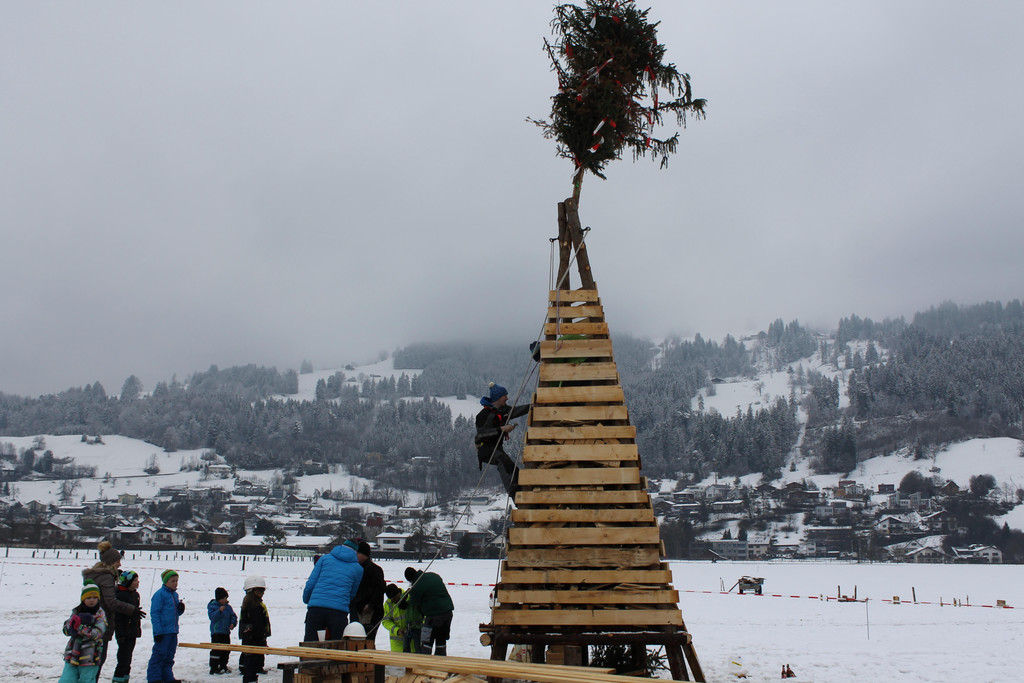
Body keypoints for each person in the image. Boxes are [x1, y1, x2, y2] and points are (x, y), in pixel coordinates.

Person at [82, 541, 143, 679]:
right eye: (117, 561)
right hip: (101, 623)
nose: (120, 564)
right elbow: (111, 601)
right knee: (98, 659)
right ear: (110, 562)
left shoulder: (94, 575)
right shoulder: (106, 577)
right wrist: (131, 610)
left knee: (89, 661)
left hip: (89, 621)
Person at [301, 539, 363, 641]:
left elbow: (311, 584)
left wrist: (307, 599)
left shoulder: (324, 559)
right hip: (339, 611)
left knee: (310, 644)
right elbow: (352, 593)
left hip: (316, 608)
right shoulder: (358, 569)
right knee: (336, 645)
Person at [475, 382, 530, 495]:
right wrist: (501, 429)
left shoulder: (503, 410)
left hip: (496, 447)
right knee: (503, 461)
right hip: (485, 449)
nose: (507, 398)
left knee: (511, 468)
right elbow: (481, 434)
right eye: (505, 396)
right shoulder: (483, 415)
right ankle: (513, 491)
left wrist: (532, 406)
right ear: (498, 397)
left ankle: (522, 487)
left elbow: (516, 411)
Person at [58, 581, 107, 683]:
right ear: (83, 599)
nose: (92, 600)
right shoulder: (77, 611)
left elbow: (98, 633)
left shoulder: (100, 613)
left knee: (87, 680)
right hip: (73, 654)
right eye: (88, 598)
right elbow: (66, 629)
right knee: (67, 679)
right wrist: (70, 627)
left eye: (94, 598)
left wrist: (81, 628)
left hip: (90, 656)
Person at [403, 567, 454, 656]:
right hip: (448, 613)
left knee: (427, 643)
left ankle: (425, 665)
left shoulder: (416, 586)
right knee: (441, 641)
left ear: (410, 580)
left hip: (433, 616)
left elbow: (414, 603)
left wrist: (409, 594)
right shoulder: (434, 575)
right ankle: (440, 664)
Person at [146, 569, 184, 683]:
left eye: (176, 581)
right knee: (159, 655)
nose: (175, 583)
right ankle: (154, 678)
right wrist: (158, 632)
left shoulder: (175, 595)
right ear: (166, 582)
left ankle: (167, 677)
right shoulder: (160, 594)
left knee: (169, 656)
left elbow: (175, 613)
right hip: (163, 632)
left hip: (173, 631)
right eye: (172, 581)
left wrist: (180, 609)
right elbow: (155, 613)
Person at [351, 540, 386, 641]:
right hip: (359, 610)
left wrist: (370, 605)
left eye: (358, 553)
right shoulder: (357, 569)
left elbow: (380, 588)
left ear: (364, 554)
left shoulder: (374, 569)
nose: (356, 556)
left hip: (371, 612)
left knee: (367, 640)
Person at [112, 570, 142, 683]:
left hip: (132, 632)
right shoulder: (120, 595)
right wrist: (120, 634)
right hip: (124, 633)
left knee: (128, 659)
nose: (138, 582)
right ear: (128, 582)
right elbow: (118, 618)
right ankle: (118, 679)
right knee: (123, 660)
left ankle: (125, 679)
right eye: (135, 580)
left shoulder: (135, 594)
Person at [238, 575, 271, 683]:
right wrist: (262, 641)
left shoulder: (246, 605)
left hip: (248, 639)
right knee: (252, 666)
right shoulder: (256, 607)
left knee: (250, 665)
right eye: (261, 591)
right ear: (255, 592)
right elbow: (258, 626)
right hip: (255, 640)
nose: (263, 594)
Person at [208, 586, 238, 675]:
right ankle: (214, 667)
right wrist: (219, 611)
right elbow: (212, 617)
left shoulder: (228, 607)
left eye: (226, 598)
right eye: (224, 598)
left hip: (226, 632)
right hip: (217, 633)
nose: (226, 600)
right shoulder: (213, 607)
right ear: (219, 599)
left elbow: (233, 616)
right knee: (216, 650)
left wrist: (233, 623)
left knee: (226, 650)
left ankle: (223, 666)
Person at [380, 584, 408, 652]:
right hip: (397, 644)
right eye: (391, 598)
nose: (393, 600)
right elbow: (385, 621)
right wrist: (397, 630)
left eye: (395, 597)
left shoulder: (408, 598)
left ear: (399, 593)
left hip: (412, 642)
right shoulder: (388, 604)